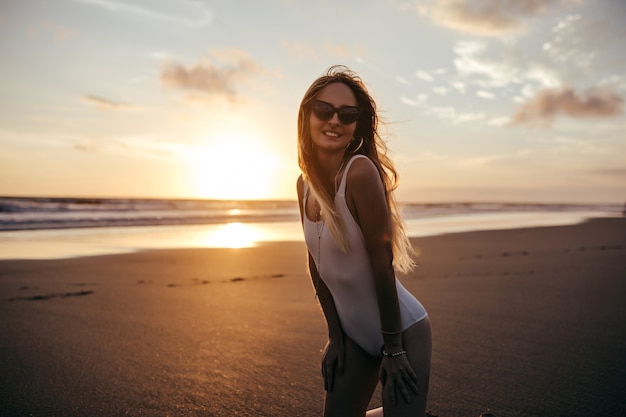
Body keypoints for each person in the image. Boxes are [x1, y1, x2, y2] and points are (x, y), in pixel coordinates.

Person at [296, 65, 432, 417]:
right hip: (353, 338)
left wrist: (394, 348)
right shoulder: (303, 184)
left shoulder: (359, 172)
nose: (335, 121)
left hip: (402, 332)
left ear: (357, 123)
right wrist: (336, 335)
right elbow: (317, 262)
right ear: (307, 116)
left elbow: (382, 267)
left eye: (348, 114)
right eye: (324, 110)